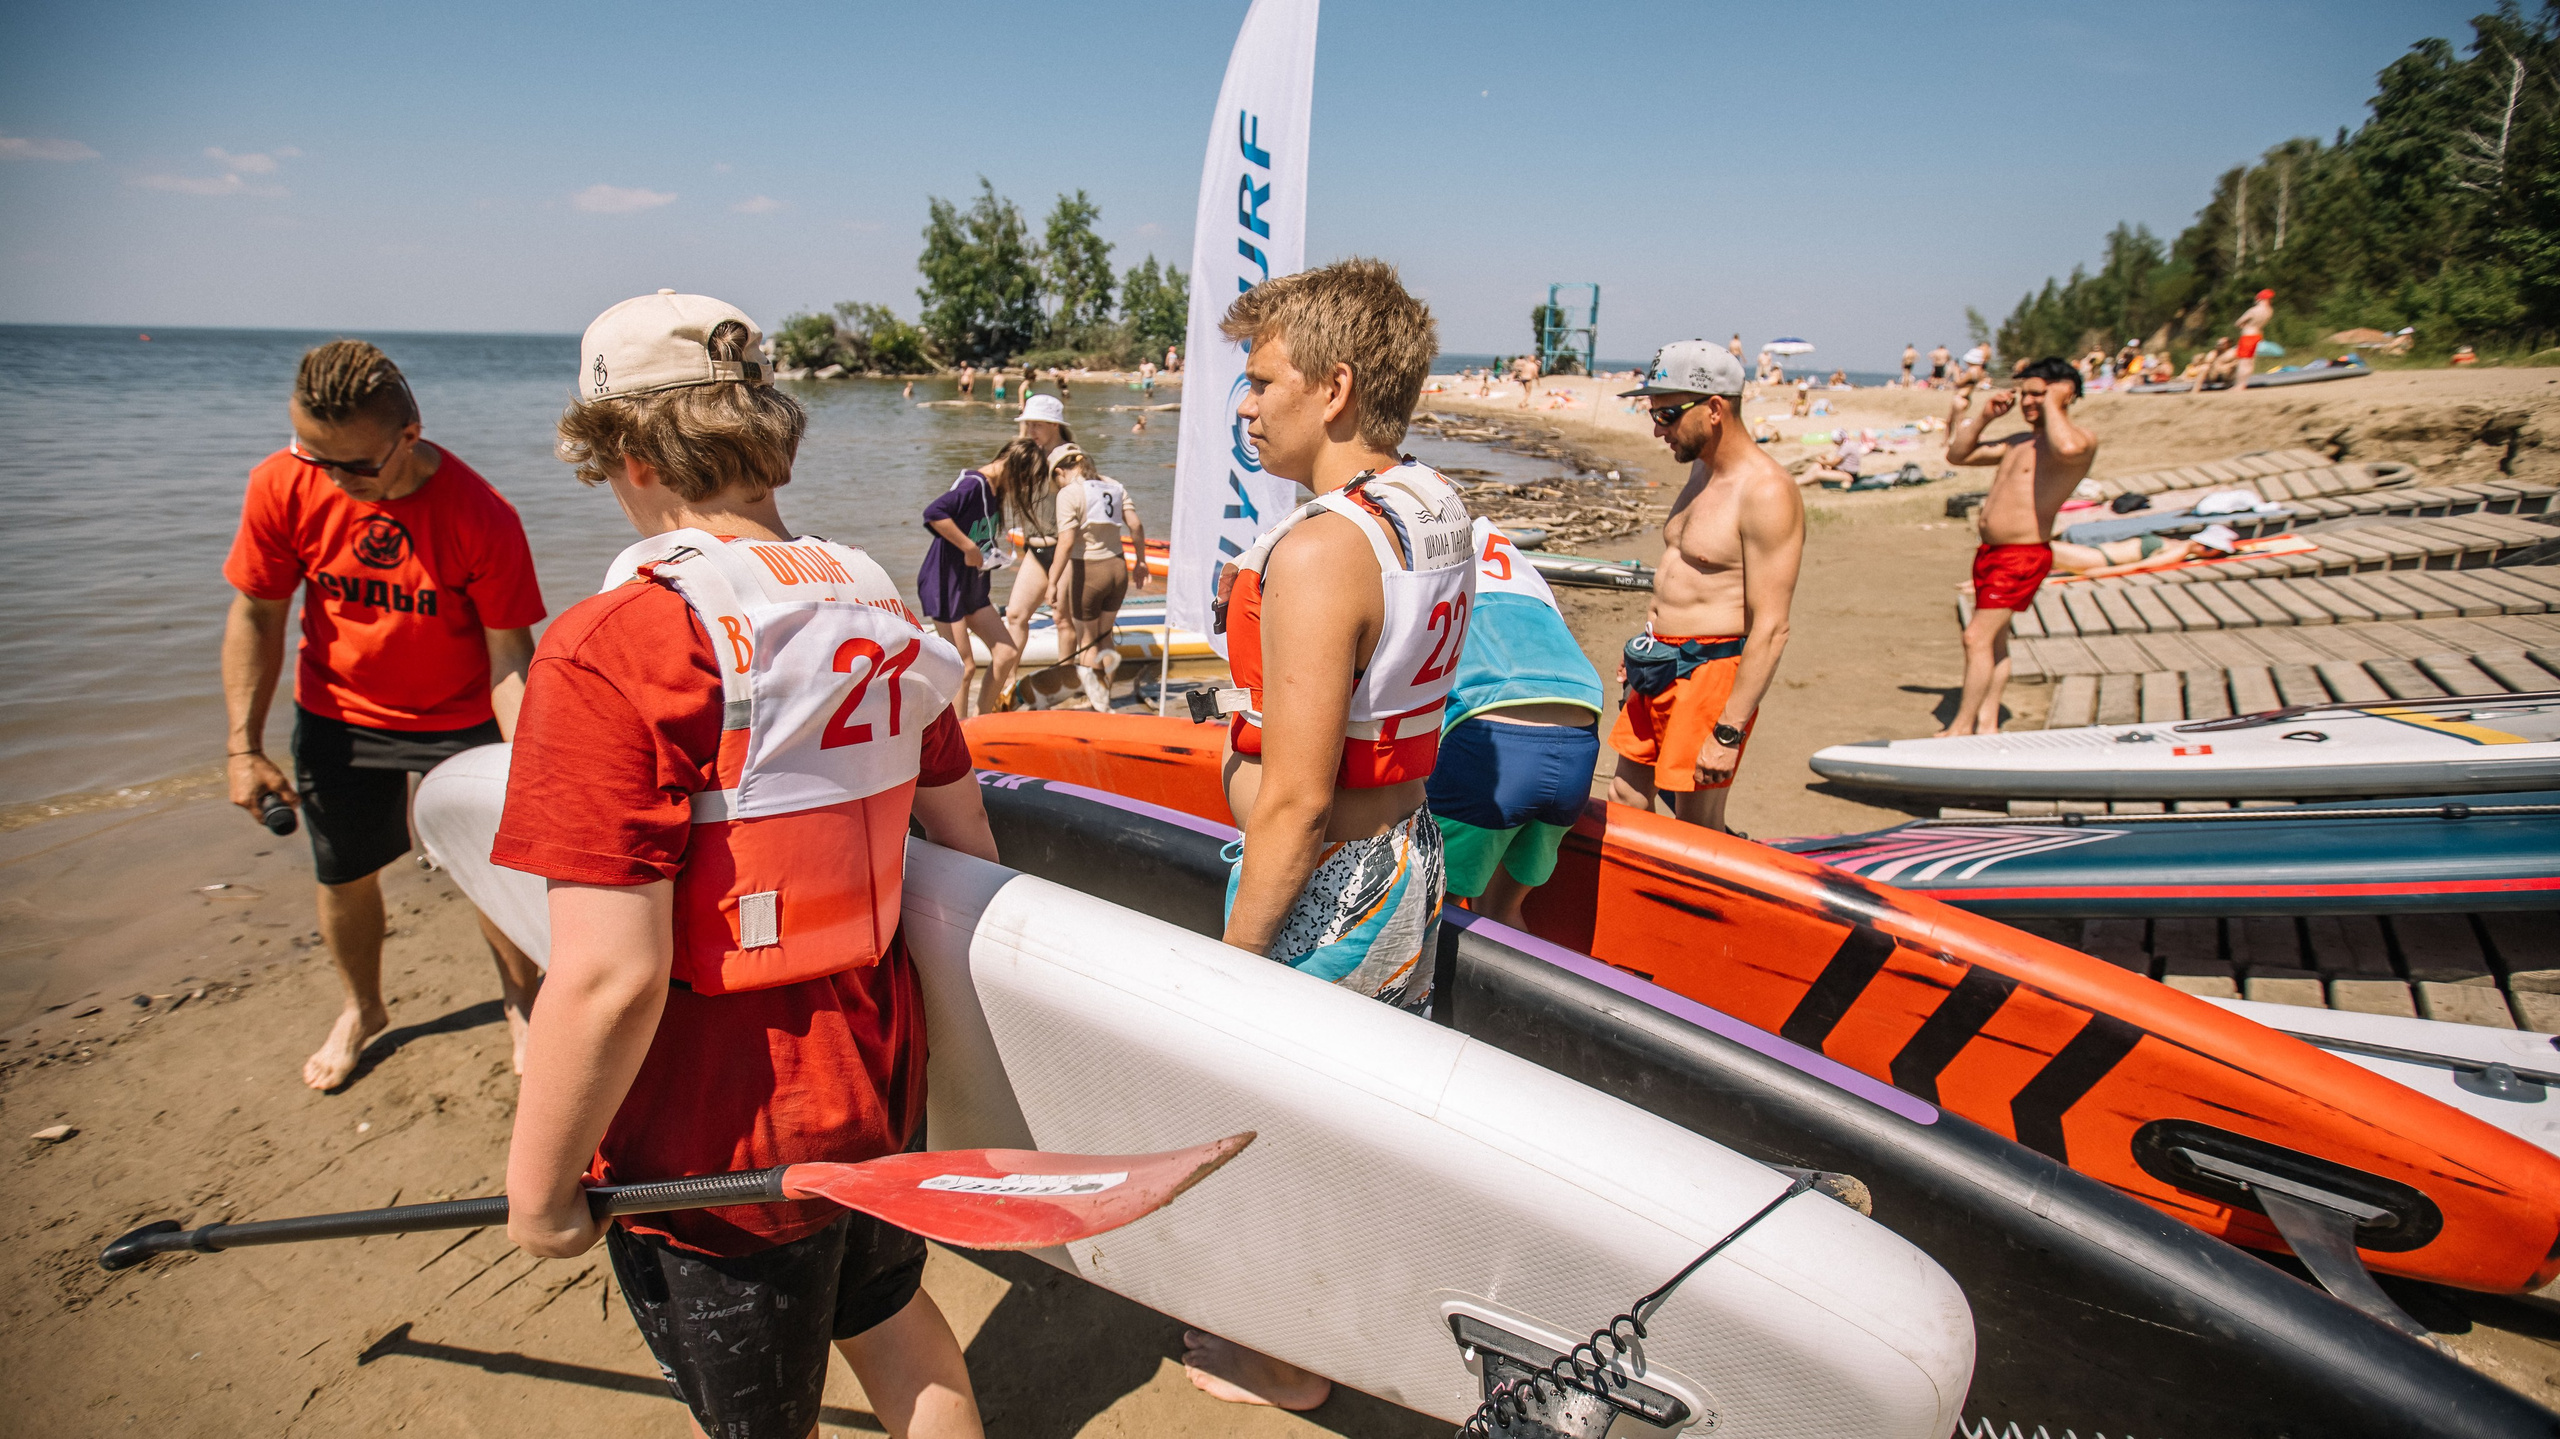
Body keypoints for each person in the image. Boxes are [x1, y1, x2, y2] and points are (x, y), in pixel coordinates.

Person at [500, 291, 996, 1439]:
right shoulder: (875, 599)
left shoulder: (606, 647)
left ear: (624, 454)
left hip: (716, 1142)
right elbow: (966, 844)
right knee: (892, 1321)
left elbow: (609, 974)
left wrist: (540, 1190)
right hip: (874, 1081)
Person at [1193, 257, 1467, 1413]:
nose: (1243, 405)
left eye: (1259, 381)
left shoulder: (1318, 549)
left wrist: (1230, 966)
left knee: (1273, 1120)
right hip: (1403, 857)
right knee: (1353, 1124)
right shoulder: (1432, 503)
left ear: (1335, 386)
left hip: (1326, 881)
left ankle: (1285, 1361)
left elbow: (1296, 802)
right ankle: (1332, 1327)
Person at [222, 339, 548, 1091]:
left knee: (490, 874)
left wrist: (531, 768)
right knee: (343, 873)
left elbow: (510, 660)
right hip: (338, 712)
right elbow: (258, 617)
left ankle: (520, 1001)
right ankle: (362, 1008)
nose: (336, 479)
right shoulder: (280, 485)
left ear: (411, 434)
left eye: (357, 465)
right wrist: (243, 746)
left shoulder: (481, 514)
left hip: (461, 716)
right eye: (318, 457)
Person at [1608, 341, 1805, 835]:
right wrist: (1645, 642)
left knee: (1697, 823)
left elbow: (1773, 626)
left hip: (1711, 672)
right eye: (1653, 413)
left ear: (1715, 409)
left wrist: (1728, 730)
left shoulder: (1765, 491)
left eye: (1668, 414)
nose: (1658, 428)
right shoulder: (1701, 469)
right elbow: (1684, 573)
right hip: (1657, 664)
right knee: (1626, 798)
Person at [1427, 520, 1603, 928]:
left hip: (1495, 741)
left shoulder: (1426, 562)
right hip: (1579, 739)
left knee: (1434, 911)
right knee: (1503, 912)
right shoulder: (1519, 564)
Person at [1941, 357, 2099, 736]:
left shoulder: (2078, 441)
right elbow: (1957, 455)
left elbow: (2066, 446)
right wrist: (1984, 418)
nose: (2028, 402)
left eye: (2037, 394)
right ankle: (1987, 721)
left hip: (2022, 555)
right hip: (1992, 553)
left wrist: (2055, 402)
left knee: (1975, 636)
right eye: (2024, 395)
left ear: (2063, 394)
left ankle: (1960, 728)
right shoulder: (2018, 442)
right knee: (1994, 642)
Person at [919, 438, 1039, 716]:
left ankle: (980, 719)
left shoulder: (994, 489)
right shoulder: (974, 484)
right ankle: (961, 736)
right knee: (963, 666)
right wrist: (968, 546)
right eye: (1024, 481)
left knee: (1006, 652)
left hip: (972, 587)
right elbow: (934, 513)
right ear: (1015, 469)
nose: (1022, 488)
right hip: (945, 583)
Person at [1043, 442, 1147, 710]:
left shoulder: (1069, 493)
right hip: (1118, 569)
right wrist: (1142, 562)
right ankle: (1105, 697)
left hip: (1088, 571)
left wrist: (1052, 582)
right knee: (1105, 636)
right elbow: (1135, 525)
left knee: (1087, 641)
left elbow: (1065, 544)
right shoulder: (1114, 485)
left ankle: (1093, 703)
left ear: (1060, 472)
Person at [997, 394, 1073, 700]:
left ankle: (1065, 686)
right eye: (1027, 424)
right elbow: (1009, 466)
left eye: (1036, 424)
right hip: (1035, 549)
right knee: (1016, 614)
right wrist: (1025, 430)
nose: (1030, 430)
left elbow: (1081, 496)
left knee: (1063, 620)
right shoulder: (1028, 453)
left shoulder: (1069, 457)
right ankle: (1007, 683)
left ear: (1054, 425)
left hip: (1064, 551)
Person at [2052, 522, 2237, 578]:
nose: (2206, 549)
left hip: (2098, 560)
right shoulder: (2179, 545)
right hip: (2094, 554)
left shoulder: (2178, 552)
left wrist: (2100, 573)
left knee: (2035, 549)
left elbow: (2142, 566)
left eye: (2211, 549)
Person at [2232, 289, 2275, 392]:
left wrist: (2243, 325)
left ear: (2259, 299)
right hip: (2258, 336)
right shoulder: (2269, 311)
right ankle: (2244, 384)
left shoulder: (2253, 310)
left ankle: (2239, 385)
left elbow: (2238, 323)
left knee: (2243, 362)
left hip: (2248, 336)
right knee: (2251, 362)